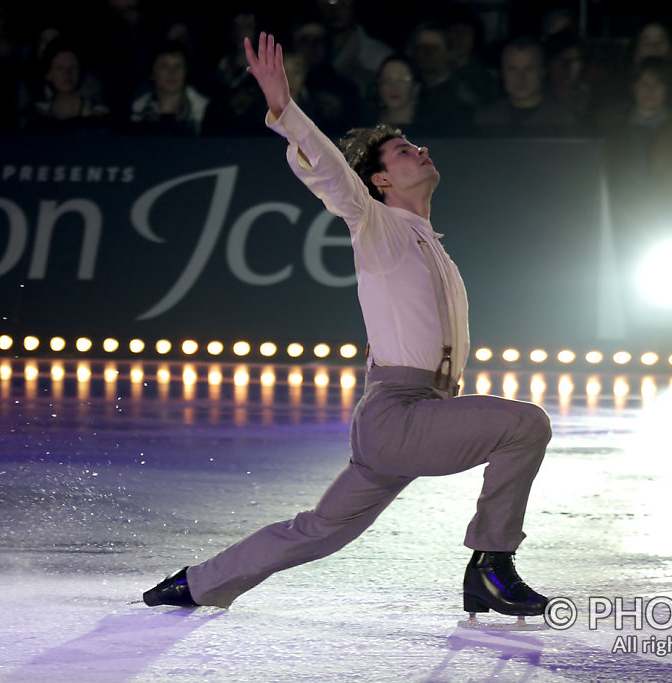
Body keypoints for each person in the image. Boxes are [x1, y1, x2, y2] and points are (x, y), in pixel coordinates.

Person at [144, 32, 552, 619]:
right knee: (524, 425)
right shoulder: (376, 224)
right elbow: (336, 179)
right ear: (380, 181)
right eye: (404, 151)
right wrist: (285, 111)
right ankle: (490, 565)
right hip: (401, 415)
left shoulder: (428, 243)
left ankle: (197, 583)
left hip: (412, 414)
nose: (419, 150)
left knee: (320, 529)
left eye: (415, 144)